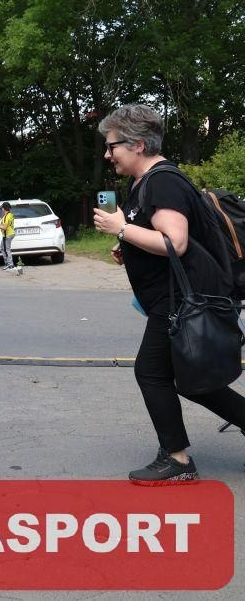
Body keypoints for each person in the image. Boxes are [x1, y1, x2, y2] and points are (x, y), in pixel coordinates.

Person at [93, 103, 245, 485]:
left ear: (138, 144)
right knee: (191, 375)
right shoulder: (144, 182)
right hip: (176, 295)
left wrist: (121, 229)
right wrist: (128, 244)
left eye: (112, 146)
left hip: (182, 298)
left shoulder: (163, 182)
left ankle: (176, 459)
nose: (107, 154)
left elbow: (175, 242)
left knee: (151, 371)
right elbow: (158, 236)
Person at [0, 202, 17, 270]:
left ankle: (10, 265)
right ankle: (8, 263)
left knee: (6, 250)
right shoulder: (9, 215)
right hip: (8, 234)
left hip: (8, 234)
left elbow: (5, 227)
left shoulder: (6, 216)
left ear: (4, 208)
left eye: (2, 208)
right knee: (2, 248)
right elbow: (4, 225)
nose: (2, 209)